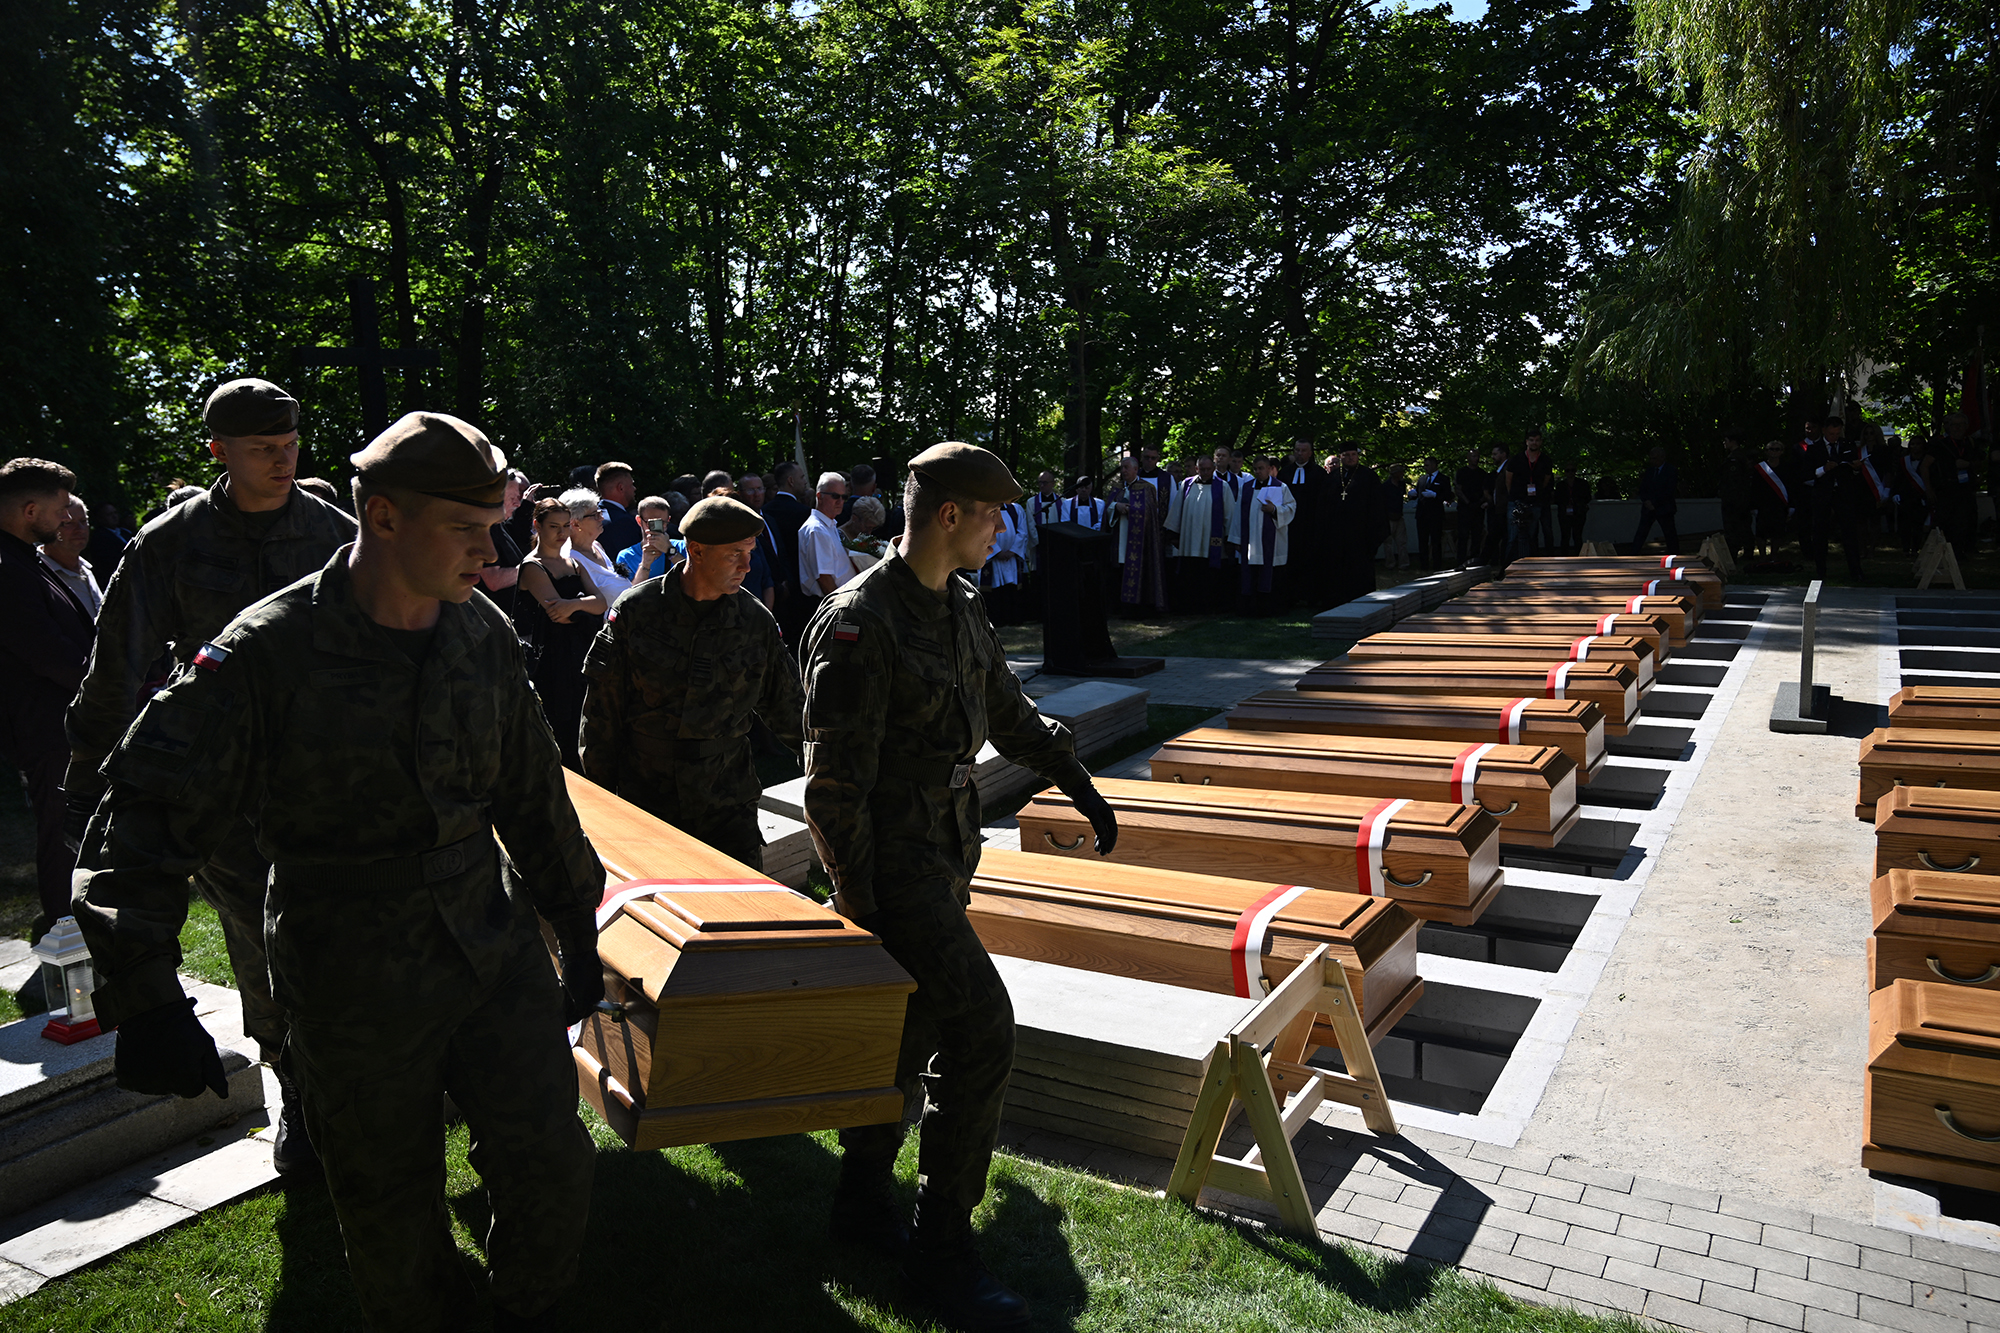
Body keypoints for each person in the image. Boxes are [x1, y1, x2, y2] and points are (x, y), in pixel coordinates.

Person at [72, 411, 602, 1333]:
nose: (493, 549)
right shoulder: (263, 652)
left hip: (489, 938)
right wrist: (146, 991)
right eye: (468, 529)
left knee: (552, 1161)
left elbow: (531, 789)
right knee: (391, 1209)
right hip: (349, 965)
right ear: (385, 517)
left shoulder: (477, 632)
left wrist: (575, 916)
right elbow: (145, 819)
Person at [802, 442, 1118, 1331]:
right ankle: (940, 1251)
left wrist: (1080, 782)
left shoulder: (962, 609)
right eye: (992, 513)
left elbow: (1010, 713)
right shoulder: (863, 620)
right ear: (950, 515)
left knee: (916, 1027)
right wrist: (861, 903)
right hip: (894, 874)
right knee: (982, 1024)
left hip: (944, 859)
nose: (1002, 527)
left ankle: (861, 1199)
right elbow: (833, 787)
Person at [64, 377, 357, 1176]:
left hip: (338, 787)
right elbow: (116, 672)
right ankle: (296, 1094)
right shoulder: (169, 543)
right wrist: (88, 783)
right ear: (218, 450)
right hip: (230, 799)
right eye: (265, 448)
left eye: (292, 444)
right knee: (261, 950)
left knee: (357, 944)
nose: (283, 461)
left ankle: (370, 1088)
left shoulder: (337, 533)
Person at [581, 496, 804, 868]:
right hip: (648, 804)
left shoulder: (754, 620)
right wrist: (604, 809)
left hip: (728, 804)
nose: (748, 566)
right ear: (696, 551)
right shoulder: (637, 611)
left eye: (750, 552)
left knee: (742, 912)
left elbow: (790, 710)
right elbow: (601, 718)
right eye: (735, 554)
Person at [1, 460, 95, 946]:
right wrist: (103, 684)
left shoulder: (27, 559)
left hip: (63, 721)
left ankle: (88, 924)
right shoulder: (7, 568)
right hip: (45, 727)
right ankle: (69, 935)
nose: (66, 521)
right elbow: (44, 650)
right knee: (61, 834)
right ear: (30, 509)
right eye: (60, 511)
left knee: (79, 827)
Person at [517, 497, 607, 769]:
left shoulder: (575, 564)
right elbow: (557, 615)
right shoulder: (532, 566)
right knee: (560, 731)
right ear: (537, 526)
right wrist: (583, 606)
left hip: (579, 657)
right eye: (554, 526)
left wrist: (575, 605)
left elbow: (601, 603)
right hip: (552, 662)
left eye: (566, 526)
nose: (561, 533)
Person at [1164, 452, 1237, 613]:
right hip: (1189, 541)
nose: (1205, 472)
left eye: (1208, 469)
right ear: (1196, 468)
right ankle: (1189, 606)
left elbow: (1230, 514)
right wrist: (1173, 534)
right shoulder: (1186, 485)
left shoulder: (1222, 486)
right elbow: (1177, 510)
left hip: (1211, 541)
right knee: (1190, 574)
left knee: (1210, 576)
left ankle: (1210, 607)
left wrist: (1229, 538)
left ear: (1214, 468)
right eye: (1202, 469)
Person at [1106, 455, 1168, 613]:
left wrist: (1131, 510)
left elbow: (1149, 512)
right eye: (1122, 468)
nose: (1123, 471)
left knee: (1138, 571)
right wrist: (1116, 506)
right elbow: (1107, 508)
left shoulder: (1146, 488)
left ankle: (1138, 608)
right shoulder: (1117, 487)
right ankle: (1120, 607)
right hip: (1120, 537)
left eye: (1126, 467)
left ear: (1135, 469)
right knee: (1119, 570)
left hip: (1139, 541)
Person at [1236, 455, 1297, 615]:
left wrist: (1275, 510)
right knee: (1253, 575)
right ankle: (1251, 609)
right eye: (1255, 469)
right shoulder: (1247, 488)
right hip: (1251, 541)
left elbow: (1291, 508)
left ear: (1269, 469)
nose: (1258, 472)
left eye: (1261, 468)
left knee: (1273, 575)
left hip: (1273, 542)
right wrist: (1236, 539)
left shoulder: (1281, 487)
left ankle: (1272, 609)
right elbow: (1237, 514)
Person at [1324, 445, 1380, 605]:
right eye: (1346, 455)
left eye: (1353, 454)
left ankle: (1364, 599)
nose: (1350, 458)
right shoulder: (1333, 477)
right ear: (1341, 457)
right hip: (1337, 535)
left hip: (1361, 535)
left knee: (1360, 572)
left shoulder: (1369, 477)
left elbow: (1376, 507)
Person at [767, 461, 814, 646]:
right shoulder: (804, 513)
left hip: (775, 585)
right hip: (799, 588)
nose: (805, 482)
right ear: (791, 481)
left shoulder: (767, 511)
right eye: (802, 477)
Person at [476, 469, 529, 619]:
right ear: (494, 498)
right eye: (512, 497)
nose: (518, 504)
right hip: (492, 624)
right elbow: (494, 580)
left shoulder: (498, 525)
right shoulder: (484, 528)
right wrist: (532, 566)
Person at [40, 496, 104, 618]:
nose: (80, 529)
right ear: (47, 527)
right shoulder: (38, 573)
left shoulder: (86, 570)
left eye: (83, 521)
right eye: (68, 523)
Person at [1280, 440, 1327, 606]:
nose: (1299, 453)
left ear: (1310, 453)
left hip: (1311, 525)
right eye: (1297, 450)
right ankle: (1291, 596)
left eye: (1303, 450)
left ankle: (1310, 596)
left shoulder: (1319, 474)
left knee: (1310, 560)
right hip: (1290, 525)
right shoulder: (1285, 473)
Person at [799, 471, 853, 603]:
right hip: (828, 602)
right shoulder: (817, 530)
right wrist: (840, 605)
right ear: (820, 496)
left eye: (844, 497)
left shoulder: (828, 525)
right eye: (835, 496)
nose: (840, 501)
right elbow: (824, 578)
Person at [978, 495, 1029, 625]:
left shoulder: (1016, 509)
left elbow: (1022, 532)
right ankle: (997, 620)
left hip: (1012, 558)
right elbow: (982, 531)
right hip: (994, 559)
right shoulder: (985, 509)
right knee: (995, 589)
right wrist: (997, 551)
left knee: (1012, 588)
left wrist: (1013, 551)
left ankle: (1013, 618)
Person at [1627, 446, 1679, 555]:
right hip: (1649, 507)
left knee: (1669, 534)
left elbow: (1669, 490)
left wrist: (1655, 502)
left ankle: (1675, 555)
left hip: (1664, 507)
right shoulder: (1650, 471)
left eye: (1655, 458)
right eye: (1651, 458)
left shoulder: (1671, 470)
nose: (1652, 461)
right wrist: (1646, 501)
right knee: (1641, 532)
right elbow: (1643, 488)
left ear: (1662, 457)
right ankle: (1633, 554)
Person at [614, 495, 678, 584]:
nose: (656, 526)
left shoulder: (681, 547)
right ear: (639, 521)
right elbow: (628, 594)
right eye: (651, 522)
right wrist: (645, 564)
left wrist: (670, 550)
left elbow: (694, 575)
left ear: (668, 520)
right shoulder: (626, 556)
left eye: (661, 522)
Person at [1717, 430, 1755, 562]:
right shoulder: (1739, 457)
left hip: (1735, 500)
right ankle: (1744, 552)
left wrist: (1731, 498)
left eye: (1726, 440)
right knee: (1742, 527)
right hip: (1738, 499)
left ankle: (1736, 554)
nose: (1724, 443)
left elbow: (1734, 482)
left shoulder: (1736, 459)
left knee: (1735, 528)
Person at [1752, 440, 1793, 558]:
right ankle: (1763, 556)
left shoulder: (1787, 468)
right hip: (1763, 505)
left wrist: (1792, 505)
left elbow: (1791, 486)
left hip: (1780, 505)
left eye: (1777, 449)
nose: (1774, 452)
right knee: (1761, 533)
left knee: (1778, 532)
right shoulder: (1760, 468)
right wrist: (1754, 506)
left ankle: (1774, 555)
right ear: (1766, 452)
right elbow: (1754, 488)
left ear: (1782, 452)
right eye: (1771, 449)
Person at [595, 461, 642, 556]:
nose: (634, 488)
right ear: (621, 488)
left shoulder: (593, 517)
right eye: (631, 484)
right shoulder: (623, 522)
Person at [1452, 448, 1487, 570]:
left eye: (1477, 456)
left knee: (1477, 534)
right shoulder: (1461, 472)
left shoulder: (1482, 474)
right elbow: (1458, 489)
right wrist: (1467, 502)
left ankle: (1474, 559)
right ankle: (1461, 560)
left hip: (1478, 508)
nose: (1475, 459)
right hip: (1464, 508)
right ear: (1468, 458)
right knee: (1463, 535)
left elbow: (1486, 491)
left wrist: (1479, 502)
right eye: (1473, 456)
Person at [1411, 458, 1447, 569]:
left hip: (1435, 515)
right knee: (1422, 540)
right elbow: (1418, 493)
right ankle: (1424, 564)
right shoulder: (1422, 479)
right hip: (1422, 514)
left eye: (1427, 465)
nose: (1425, 468)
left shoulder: (1443, 479)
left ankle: (1437, 564)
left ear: (1434, 465)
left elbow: (1447, 495)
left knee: (1436, 540)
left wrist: (1435, 495)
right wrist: (1413, 494)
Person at [84, 501, 131, 578]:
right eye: (109, 514)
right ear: (100, 518)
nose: (114, 516)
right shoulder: (99, 538)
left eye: (115, 513)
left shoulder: (125, 532)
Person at [1378, 464, 1410, 571]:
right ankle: (1390, 563)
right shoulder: (1385, 487)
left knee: (1402, 542)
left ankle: (1404, 563)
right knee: (1388, 543)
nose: (1402, 474)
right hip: (1388, 518)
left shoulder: (1402, 485)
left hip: (1399, 517)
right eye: (1400, 472)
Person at [1555, 465, 1591, 556]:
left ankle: (1579, 555)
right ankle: (1564, 556)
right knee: (1565, 536)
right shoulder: (1560, 485)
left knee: (1577, 535)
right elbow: (1557, 499)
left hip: (1578, 512)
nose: (1570, 473)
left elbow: (1587, 497)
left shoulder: (1582, 483)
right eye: (1568, 470)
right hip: (1564, 513)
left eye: (1572, 470)